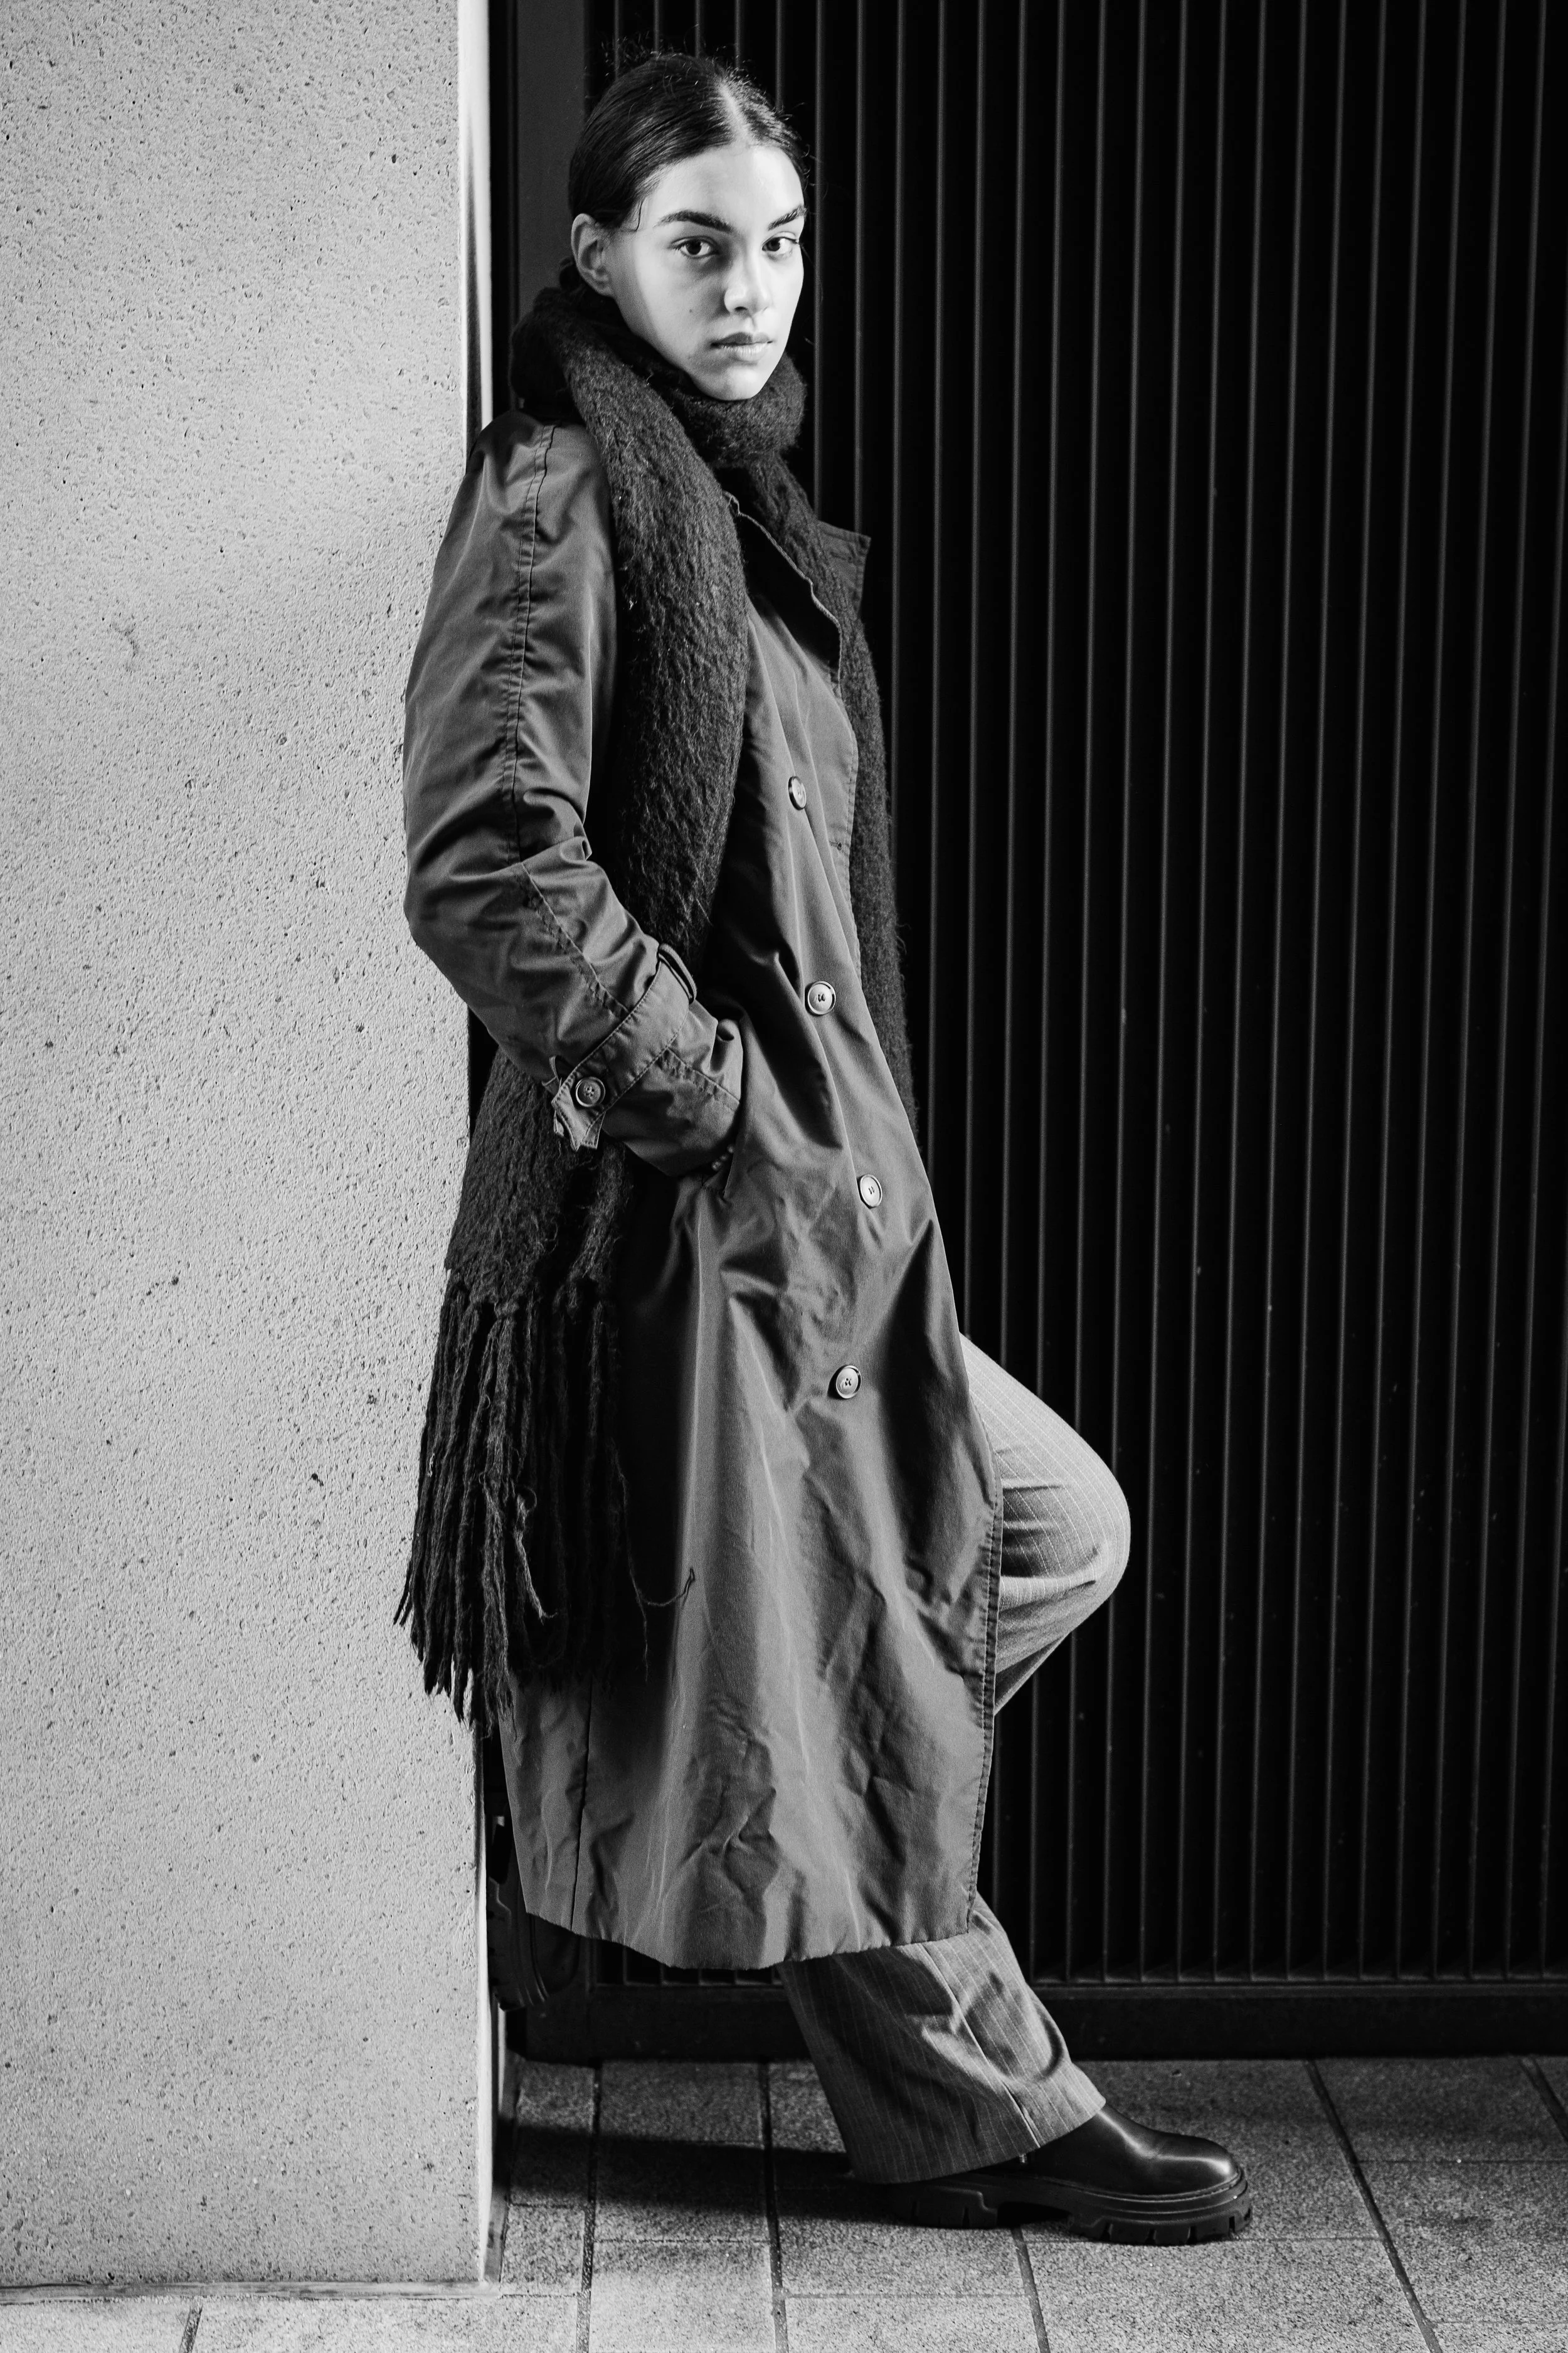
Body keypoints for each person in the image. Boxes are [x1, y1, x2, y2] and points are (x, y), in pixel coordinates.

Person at [399, 50, 1248, 2241]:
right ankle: (974, 2089)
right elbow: (490, 860)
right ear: (596, 255)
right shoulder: (561, 489)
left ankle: (736, 1833)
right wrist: (716, 1107)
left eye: (778, 244)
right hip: (692, 1226)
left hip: (832, 1225)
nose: (751, 287)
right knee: (917, 1605)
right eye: (698, 243)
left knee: (1016, 1548)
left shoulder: (741, 512)